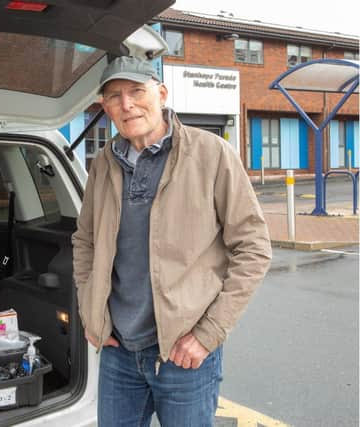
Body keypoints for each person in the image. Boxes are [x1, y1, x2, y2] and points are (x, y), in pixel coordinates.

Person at [71, 56, 272, 427]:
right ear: (105, 108)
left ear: (161, 93)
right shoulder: (103, 163)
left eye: (136, 91)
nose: (127, 104)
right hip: (118, 350)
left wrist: (208, 334)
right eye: (114, 96)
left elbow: (254, 248)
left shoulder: (211, 154)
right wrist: (90, 312)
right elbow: (85, 242)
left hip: (185, 355)